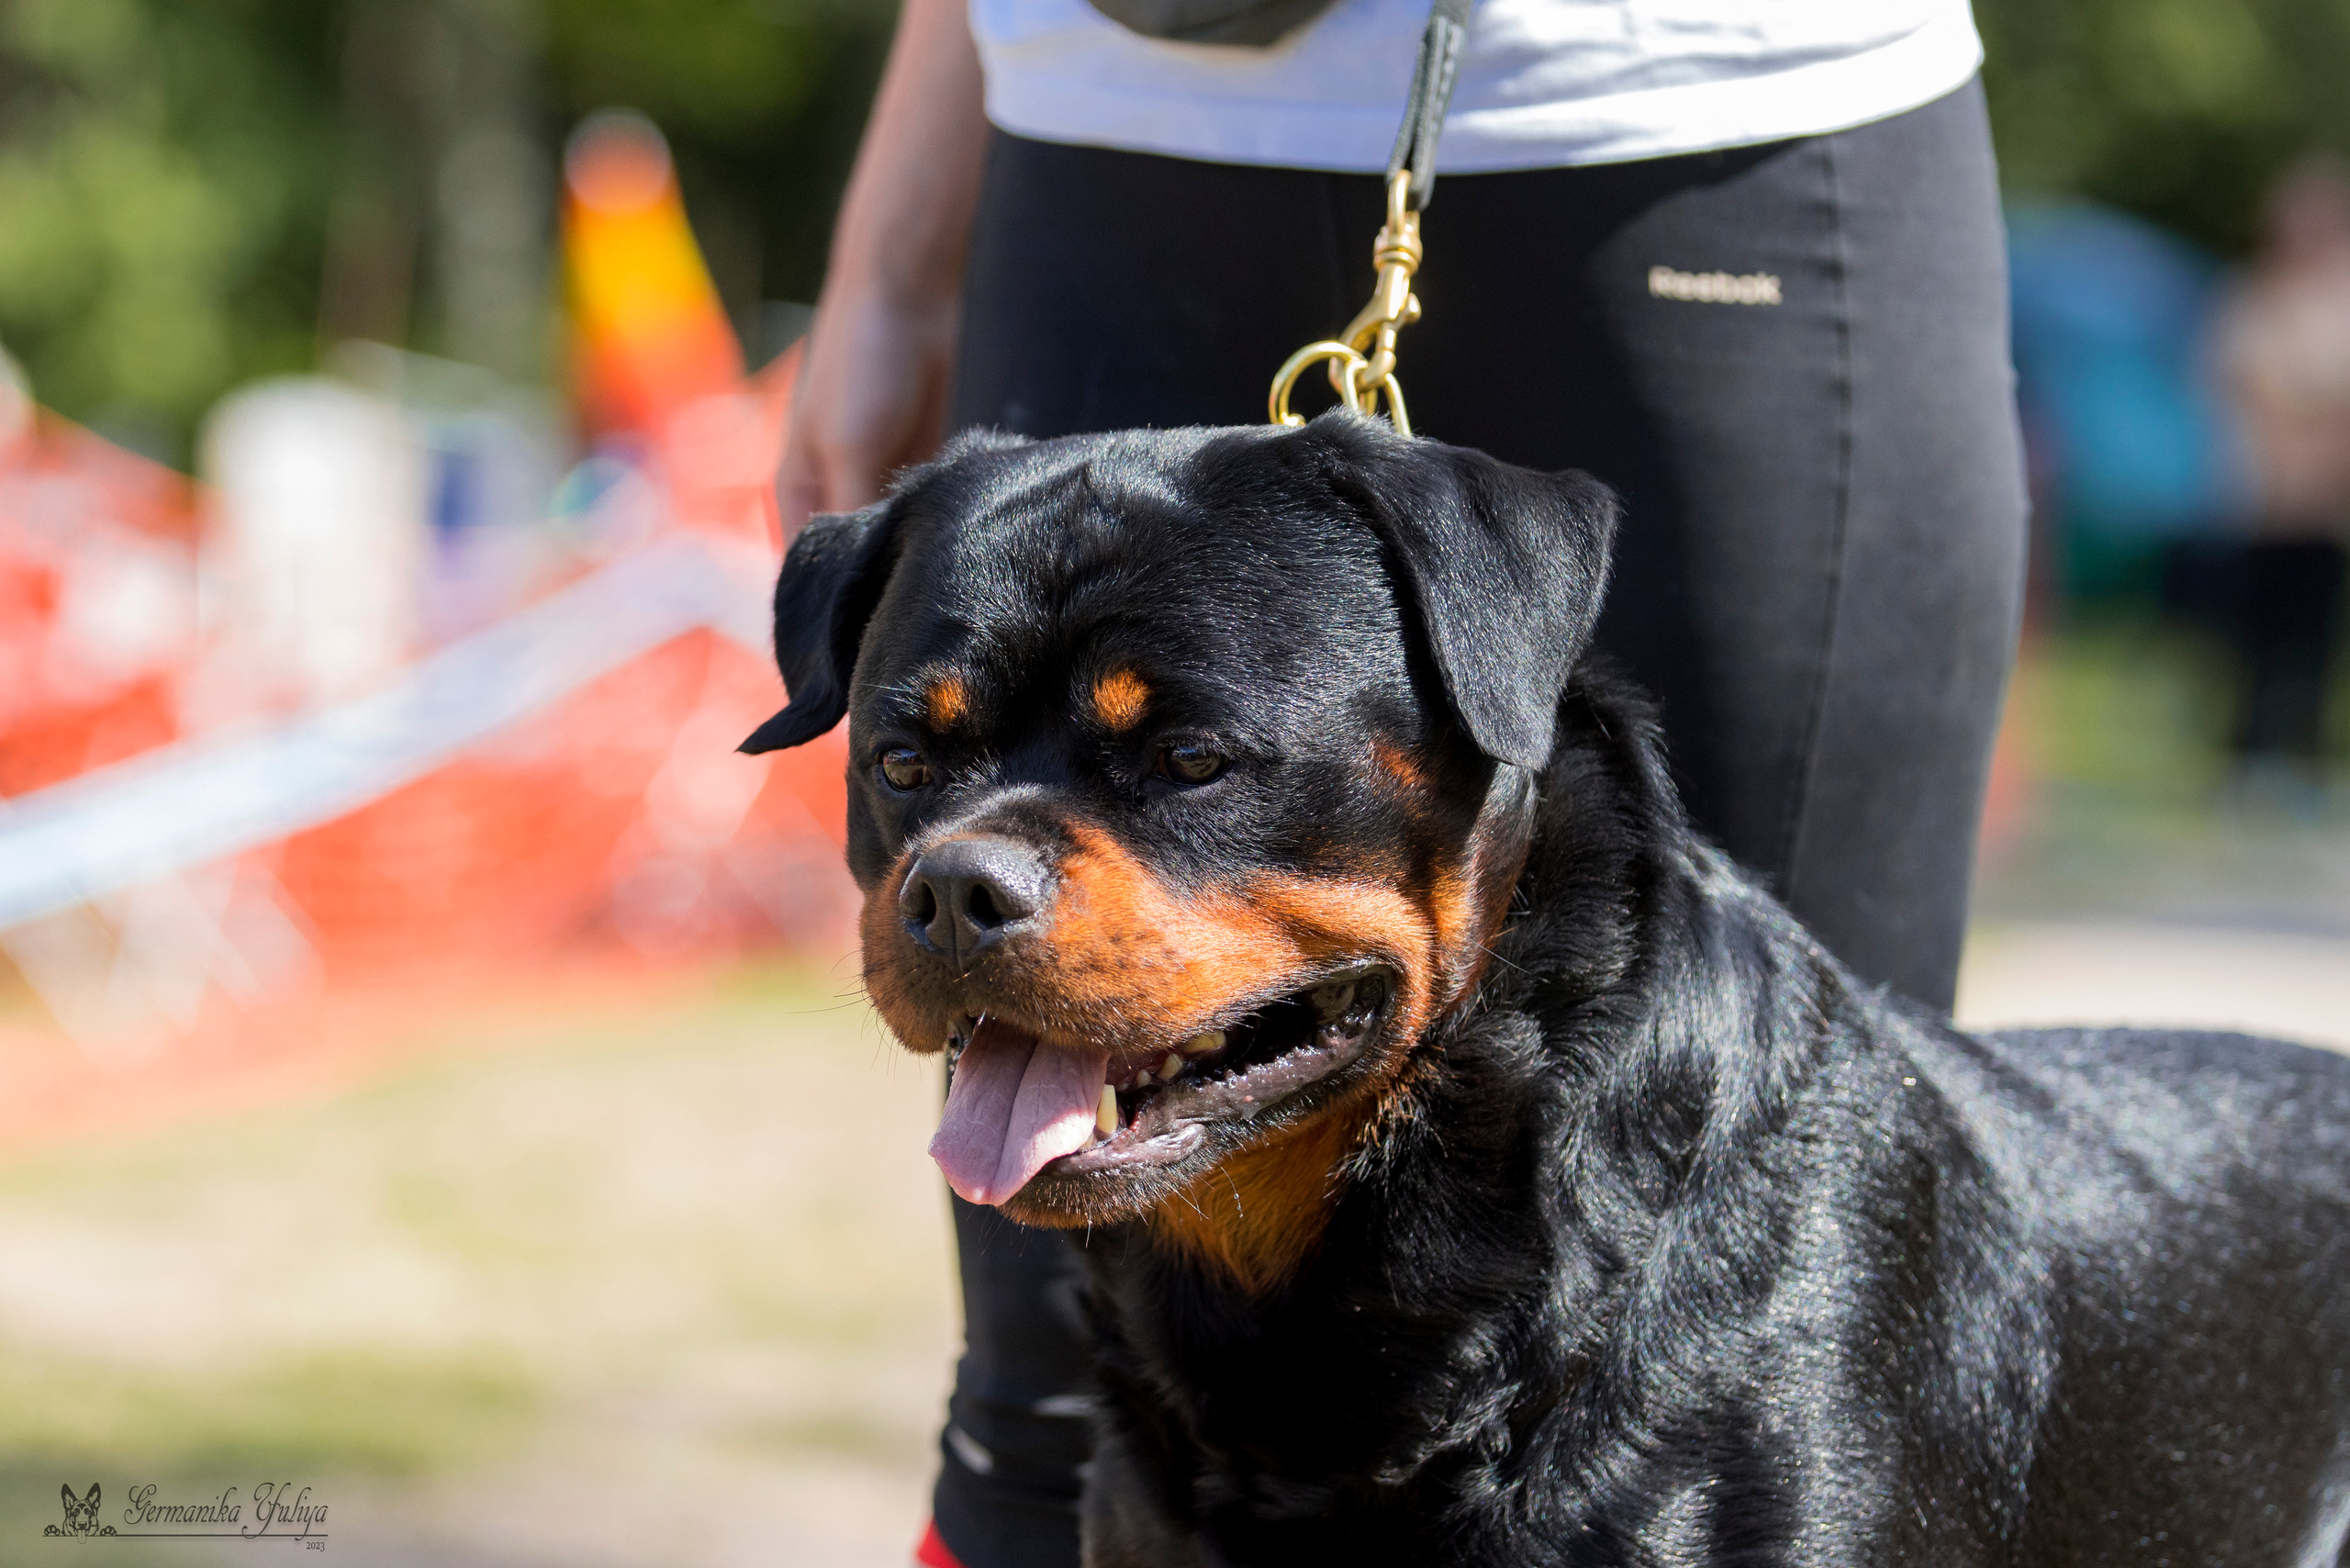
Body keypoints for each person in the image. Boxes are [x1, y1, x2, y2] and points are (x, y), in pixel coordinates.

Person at [773, 0, 2027, 1561]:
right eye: (914, 765)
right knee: (1052, 1406)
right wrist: (892, 251)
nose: (969, 862)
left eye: (1186, 763)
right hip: (1103, 105)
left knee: (1803, 1300)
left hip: (1710, 110)